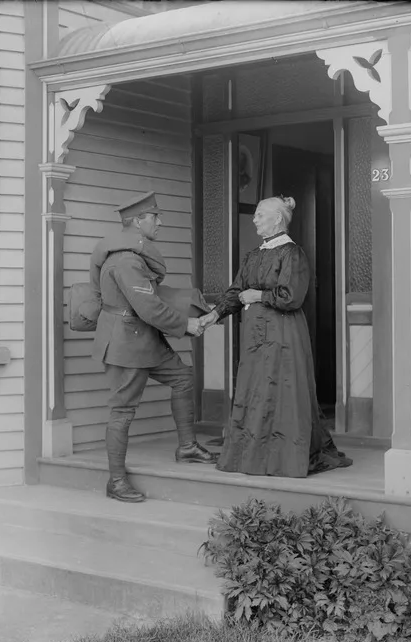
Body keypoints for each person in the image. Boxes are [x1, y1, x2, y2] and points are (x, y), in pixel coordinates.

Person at [200, 195, 352, 478]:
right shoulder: (253, 255)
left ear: (277, 219)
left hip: (283, 332)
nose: (254, 219)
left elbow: (291, 296)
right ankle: (254, 456)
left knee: (282, 389)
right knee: (255, 389)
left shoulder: (292, 253)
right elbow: (236, 291)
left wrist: (258, 295)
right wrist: (213, 315)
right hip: (255, 333)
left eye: (260, 214)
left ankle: (282, 458)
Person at [90, 192, 217, 503]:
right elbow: (148, 306)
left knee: (183, 377)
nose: (159, 222)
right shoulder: (125, 261)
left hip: (142, 339)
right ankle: (116, 481)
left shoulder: (131, 256)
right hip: (125, 342)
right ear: (137, 221)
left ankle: (187, 447)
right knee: (123, 410)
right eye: (154, 217)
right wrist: (185, 325)